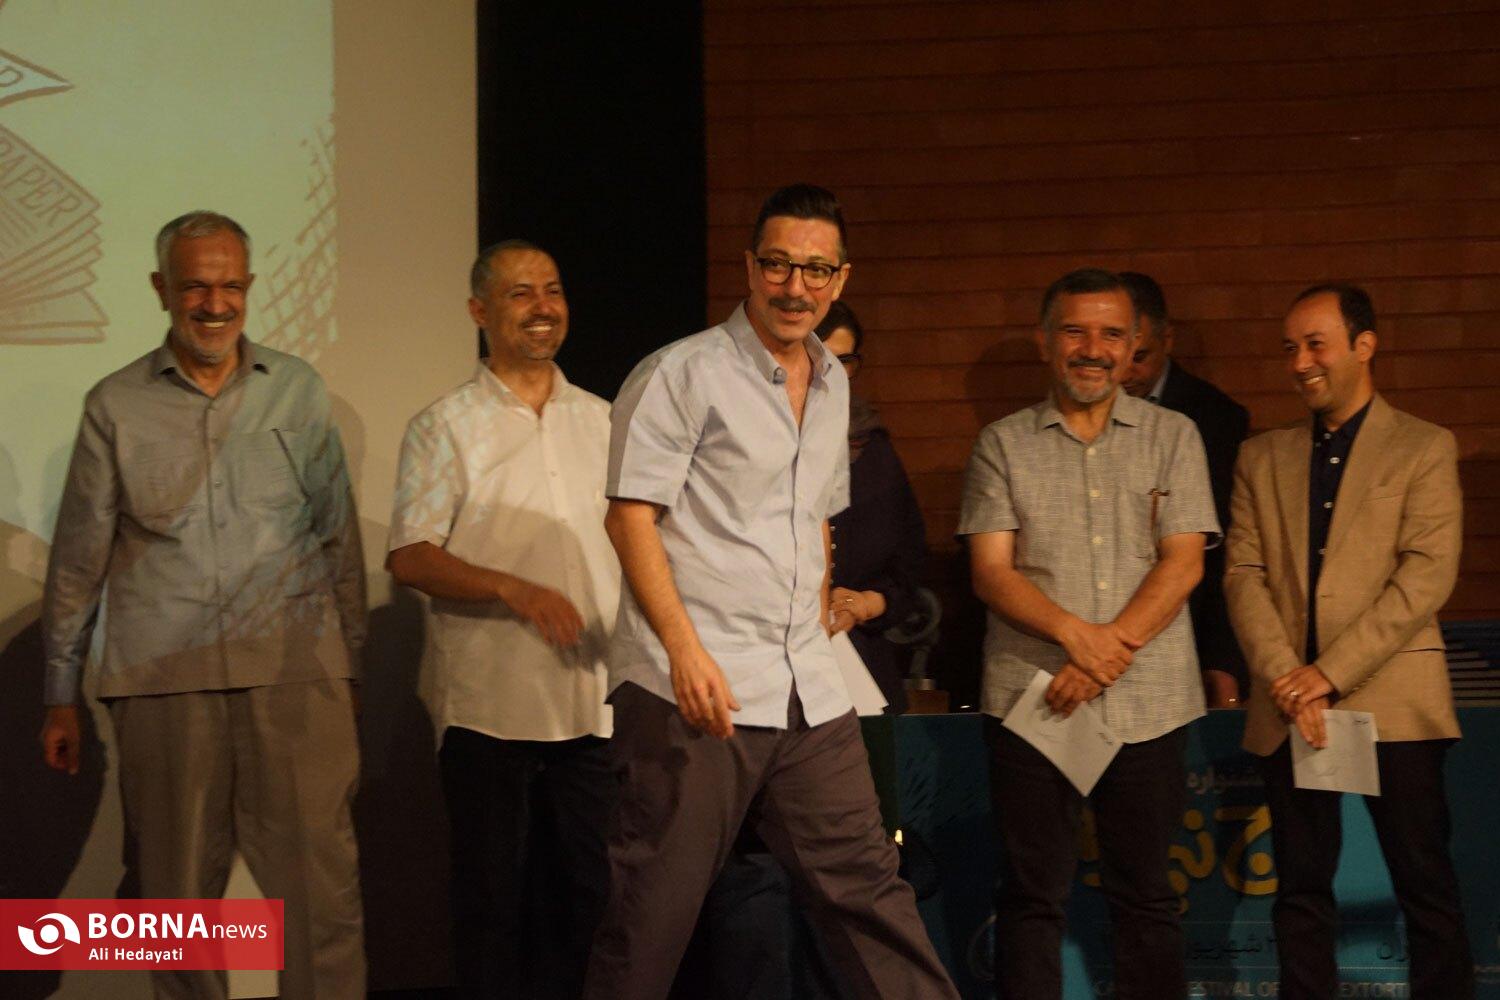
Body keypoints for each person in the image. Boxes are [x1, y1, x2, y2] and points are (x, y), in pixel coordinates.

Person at [583, 184, 958, 1000]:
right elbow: (631, 518)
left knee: (870, 889)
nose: (796, 287)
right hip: (697, 688)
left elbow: (816, 515)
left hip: (806, 689)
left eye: (816, 270)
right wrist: (684, 652)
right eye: (780, 265)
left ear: (841, 277)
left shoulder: (831, 384)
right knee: (653, 914)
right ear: (750, 267)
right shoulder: (680, 373)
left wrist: (817, 611)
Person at [39, 210, 366, 999]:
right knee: (177, 905)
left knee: (320, 897)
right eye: (194, 287)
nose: (214, 305)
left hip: (295, 676)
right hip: (163, 682)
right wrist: (60, 692)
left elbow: (338, 536)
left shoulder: (297, 388)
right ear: (162, 289)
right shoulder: (114, 404)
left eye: (230, 287)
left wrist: (349, 663)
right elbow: (79, 560)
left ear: (248, 287)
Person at [958, 268, 1219, 1000]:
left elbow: (1184, 562)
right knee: (1032, 894)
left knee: (1147, 894)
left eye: (1111, 334)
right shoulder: (1001, 443)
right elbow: (991, 573)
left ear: (1136, 347)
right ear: (1046, 342)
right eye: (1075, 331)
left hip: (1150, 704)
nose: (1093, 349)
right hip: (1033, 701)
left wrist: (1102, 657)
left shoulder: (1175, 436)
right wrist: (1079, 639)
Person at [1224, 283, 1473, 1000]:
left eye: (1316, 344)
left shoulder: (1424, 445)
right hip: (1289, 704)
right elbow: (1242, 574)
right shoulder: (1260, 456)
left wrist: (1327, 673)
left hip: (1394, 700)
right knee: (1300, 891)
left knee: (1425, 885)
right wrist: (1289, 677)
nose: (1299, 362)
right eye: (1290, 348)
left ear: (1365, 346)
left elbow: (1426, 576)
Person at [386, 240, 618, 999]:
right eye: (521, 293)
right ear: (479, 311)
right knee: (492, 907)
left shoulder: (606, 421)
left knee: (587, 901)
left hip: (593, 705)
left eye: (552, 289)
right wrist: (514, 590)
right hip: (490, 711)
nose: (543, 307)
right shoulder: (445, 426)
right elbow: (411, 556)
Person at [1118, 271, 1249, 707]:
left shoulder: (1215, 419)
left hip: (1188, 627)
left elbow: (1226, 551)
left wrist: (1222, 658)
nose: (1125, 373)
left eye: (1140, 357)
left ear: (1167, 340)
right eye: (1119, 355)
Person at [815, 300, 928, 713]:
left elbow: (908, 562)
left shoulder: (871, 446)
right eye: (819, 356)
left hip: (858, 660)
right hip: (767, 659)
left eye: (844, 361)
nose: (832, 372)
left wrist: (867, 603)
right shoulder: (754, 439)